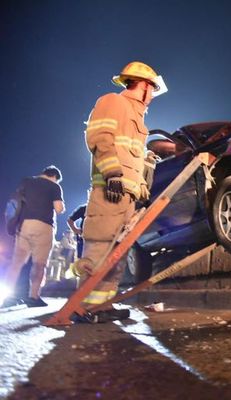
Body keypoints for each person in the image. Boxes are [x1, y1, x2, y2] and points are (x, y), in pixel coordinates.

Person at [72, 61, 167, 322]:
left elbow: (132, 158)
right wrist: (112, 173)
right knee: (100, 248)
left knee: (117, 253)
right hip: (109, 190)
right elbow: (100, 138)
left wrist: (142, 187)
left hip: (126, 196)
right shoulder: (114, 102)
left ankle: (101, 306)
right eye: (152, 90)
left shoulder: (136, 117)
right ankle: (84, 307)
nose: (152, 98)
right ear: (145, 86)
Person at [1, 166, 65, 308]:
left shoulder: (26, 181)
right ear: (54, 176)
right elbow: (59, 209)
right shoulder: (54, 186)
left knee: (16, 263)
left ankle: (9, 298)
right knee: (39, 264)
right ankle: (33, 297)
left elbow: (16, 201)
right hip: (43, 227)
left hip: (23, 226)